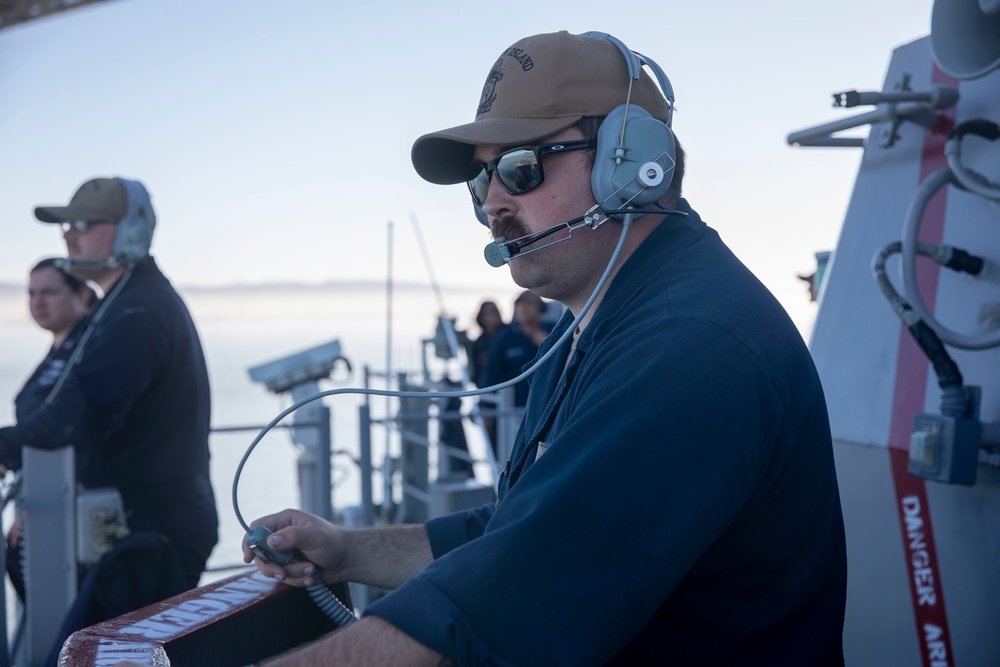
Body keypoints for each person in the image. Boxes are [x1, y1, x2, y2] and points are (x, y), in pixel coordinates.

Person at [245, 31, 847, 665]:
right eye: (482, 181)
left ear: (631, 163)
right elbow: (521, 531)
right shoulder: (591, 317)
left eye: (520, 167)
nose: (493, 205)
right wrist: (349, 551)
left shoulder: (691, 345)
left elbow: (482, 622)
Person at [0, 177, 219, 593]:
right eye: (66, 226)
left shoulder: (138, 311)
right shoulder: (122, 302)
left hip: (153, 533)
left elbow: (82, 413)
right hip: (139, 524)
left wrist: (5, 448)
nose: (68, 234)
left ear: (132, 230)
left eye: (83, 224)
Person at [468, 300, 505, 388]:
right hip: (487, 391)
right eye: (491, 312)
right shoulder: (478, 343)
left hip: (508, 390)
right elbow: (476, 372)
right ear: (482, 318)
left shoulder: (510, 336)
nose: (495, 315)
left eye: (496, 312)